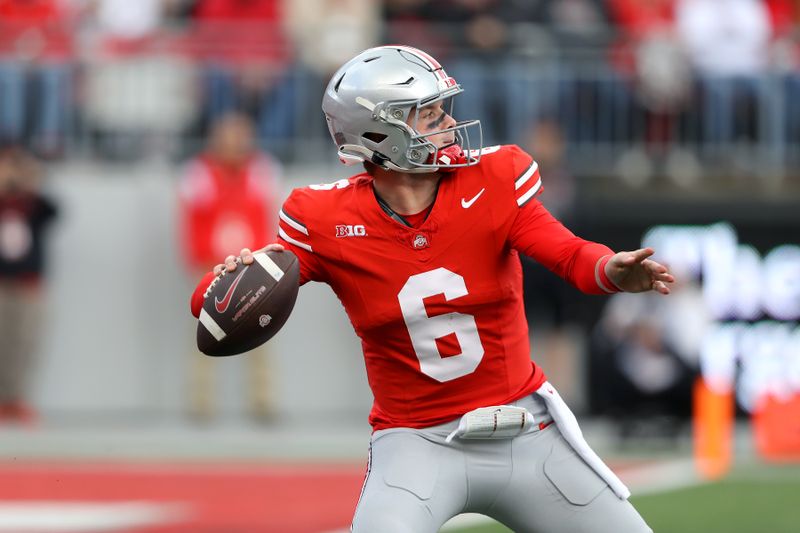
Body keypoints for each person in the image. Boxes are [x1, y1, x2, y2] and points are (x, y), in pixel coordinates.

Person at [190, 46, 672, 532]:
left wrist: (611, 269)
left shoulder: (495, 178)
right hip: (415, 443)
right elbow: (213, 308)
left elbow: (569, 255)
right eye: (428, 114)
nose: (447, 122)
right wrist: (225, 281)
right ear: (379, 134)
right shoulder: (324, 218)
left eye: (442, 108)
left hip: (525, 429)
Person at [179, 112, 281, 421]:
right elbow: (190, 220)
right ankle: (201, 403)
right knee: (205, 333)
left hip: (252, 264)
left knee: (261, 330)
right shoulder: (198, 172)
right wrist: (197, 259)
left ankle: (262, 402)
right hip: (212, 266)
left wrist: (269, 259)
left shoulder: (262, 169)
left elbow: (267, 215)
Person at [0, 144, 58, 424]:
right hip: (2, 283)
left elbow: (53, 212)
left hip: (28, 284)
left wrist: (28, 184)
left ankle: (18, 398)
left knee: (25, 344)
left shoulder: (33, 204)